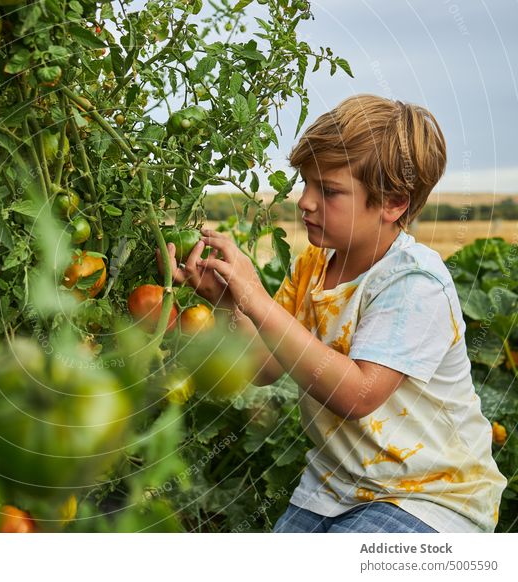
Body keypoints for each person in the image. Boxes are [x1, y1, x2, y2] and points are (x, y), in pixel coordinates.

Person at [157, 94, 507, 533]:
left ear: (393, 203)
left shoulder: (414, 283)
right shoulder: (313, 267)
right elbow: (265, 365)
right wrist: (228, 300)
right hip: (334, 486)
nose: (305, 202)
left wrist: (257, 300)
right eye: (306, 184)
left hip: (428, 498)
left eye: (329, 191)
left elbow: (357, 395)